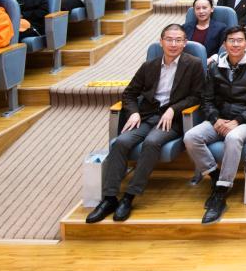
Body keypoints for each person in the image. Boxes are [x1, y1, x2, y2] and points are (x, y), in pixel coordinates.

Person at [85, 24, 205, 223]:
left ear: (185, 43)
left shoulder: (194, 64)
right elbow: (129, 93)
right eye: (169, 39)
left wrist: (173, 109)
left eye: (178, 40)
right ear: (161, 42)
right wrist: (133, 112)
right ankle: (109, 198)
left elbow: (197, 96)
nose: (173, 44)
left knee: (152, 142)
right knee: (120, 142)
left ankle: (129, 196)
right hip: (146, 116)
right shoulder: (149, 66)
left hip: (172, 120)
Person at [183, 26, 246, 224]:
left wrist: (237, 121)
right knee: (191, 137)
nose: (235, 44)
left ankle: (221, 193)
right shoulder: (215, 67)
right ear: (224, 44)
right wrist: (215, 119)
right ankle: (215, 176)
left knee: (233, 137)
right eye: (231, 40)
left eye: (240, 40)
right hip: (220, 118)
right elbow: (206, 99)